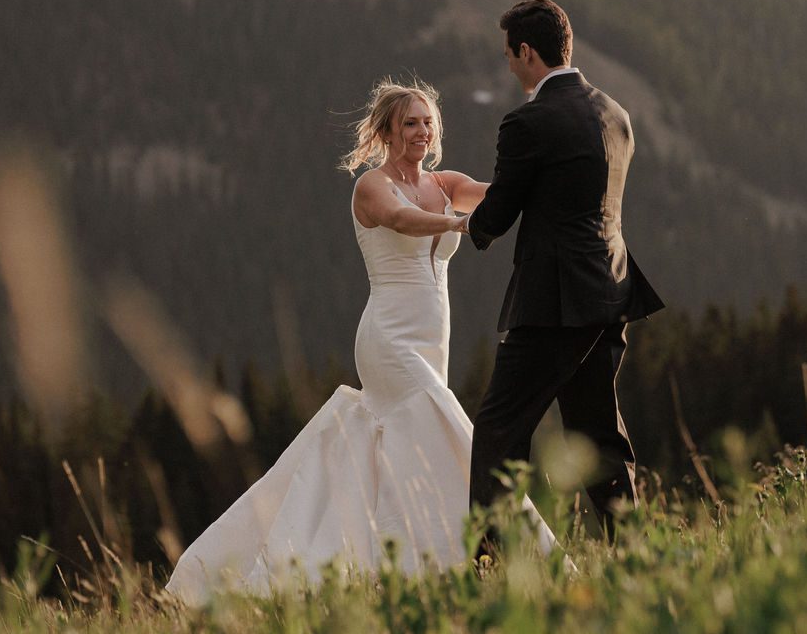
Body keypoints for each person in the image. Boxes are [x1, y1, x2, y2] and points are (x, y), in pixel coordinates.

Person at [164, 80, 551, 603]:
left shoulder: (445, 181)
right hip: (389, 338)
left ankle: (399, 560)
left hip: (434, 338)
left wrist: (545, 167)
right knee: (450, 428)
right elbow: (399, 219)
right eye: (410, 122)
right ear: (388, 131)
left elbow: (505, 195)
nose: (422, 130)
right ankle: (498, 552)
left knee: (412, 444)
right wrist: (460, 225)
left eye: (428, 121)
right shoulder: (371, 186)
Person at [467, 0, 664, 550]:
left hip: (554, 301)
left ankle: (494, 564)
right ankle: (635, 555)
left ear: (527, 52)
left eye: (510, 55)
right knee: (599, 434)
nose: (509, 66)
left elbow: (500, 212)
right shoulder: (616, 114)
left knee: (499, 429)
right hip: (611, 291)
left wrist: (460, 223)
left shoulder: (528, 121)